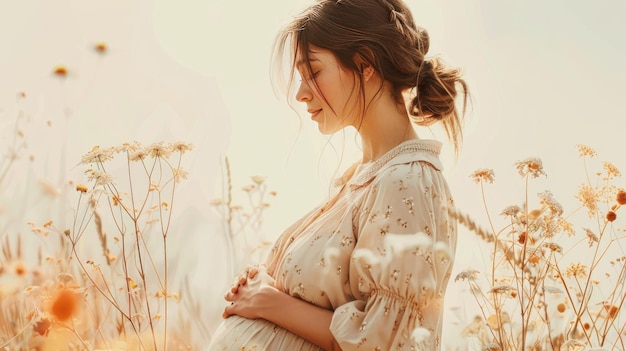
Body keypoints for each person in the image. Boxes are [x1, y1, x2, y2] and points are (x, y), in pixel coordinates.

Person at [207, 0, 468, 349]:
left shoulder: (406, 181)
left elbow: (388, 341)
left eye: (312, 72)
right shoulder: (362, 179)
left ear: (364, 65)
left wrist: (269, 302)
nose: (301, 94)